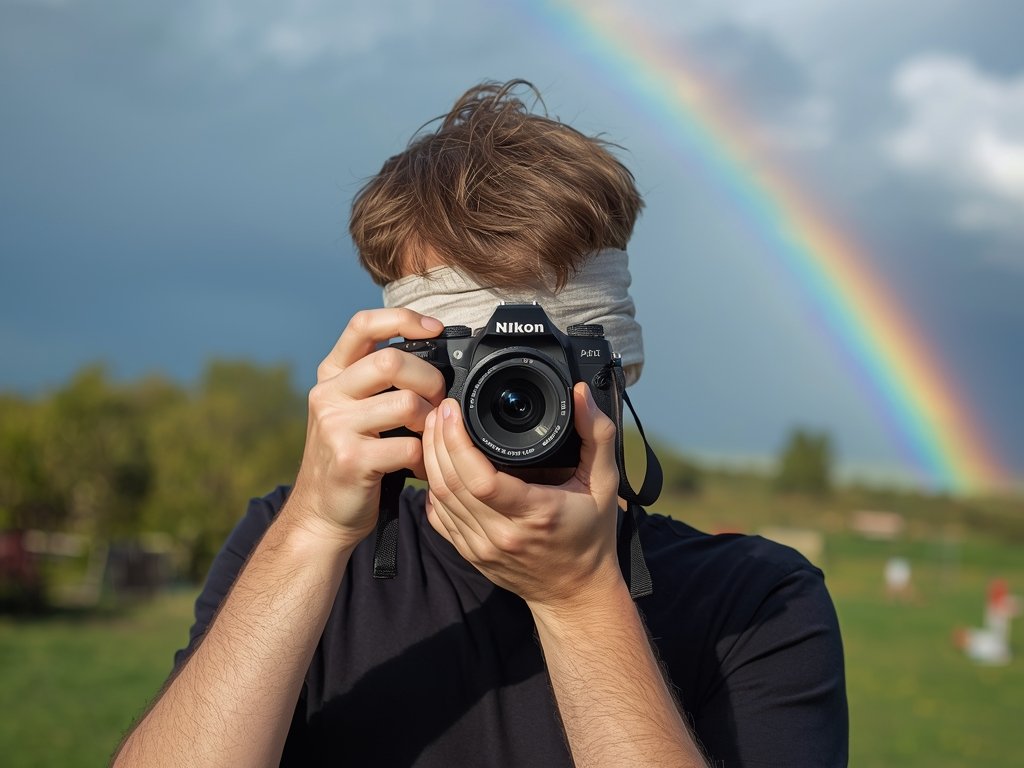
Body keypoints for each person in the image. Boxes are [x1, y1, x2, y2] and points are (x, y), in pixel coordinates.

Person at [113, 80, 848, 767]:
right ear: (397, 362)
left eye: (546, 360)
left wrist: (580, 597)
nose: (512, 395)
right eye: (477, 361)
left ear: (615, 364)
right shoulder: (296, 547)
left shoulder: (757, 600)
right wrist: (311, 531)